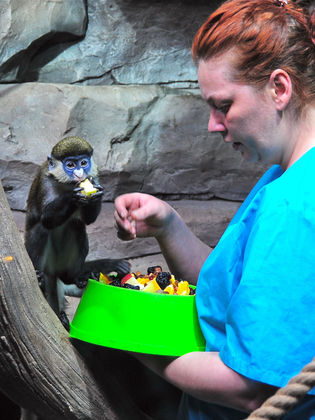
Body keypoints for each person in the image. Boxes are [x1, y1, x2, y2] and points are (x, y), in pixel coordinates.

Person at [114, 0, 315, 418]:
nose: (213, 124)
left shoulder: (295, 204)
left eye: (223, 105)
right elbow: (243, 293)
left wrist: (127, 337)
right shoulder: (285, 174)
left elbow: (252, 389)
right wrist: (169, 225)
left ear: (279, 89)